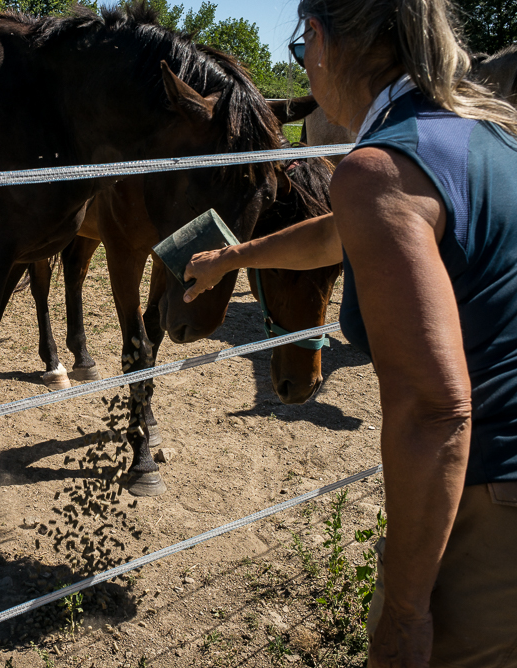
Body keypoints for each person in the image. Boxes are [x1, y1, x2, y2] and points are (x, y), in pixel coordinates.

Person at [181, 0, 517, 665]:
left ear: (323, 41)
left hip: (488, 508)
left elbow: (433, 410)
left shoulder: (379, 168)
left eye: (302, 51)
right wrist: (233, 257)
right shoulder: (479, 134)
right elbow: (347, 229)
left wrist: (404, 613)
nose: (305, 66)